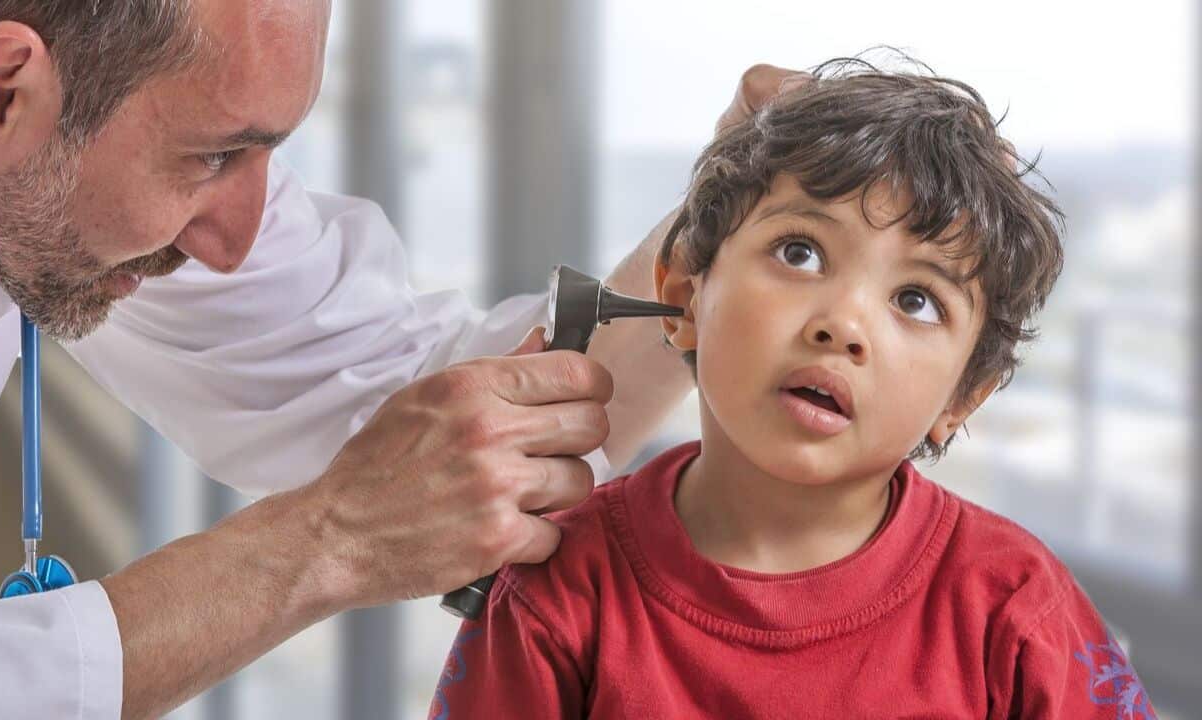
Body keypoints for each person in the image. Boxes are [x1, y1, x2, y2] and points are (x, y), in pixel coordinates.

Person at [0, 1, 799, 717]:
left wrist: (714, 237)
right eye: (213, 156)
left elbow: (412, 400)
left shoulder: (58, 153)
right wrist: (325, 540)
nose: (236, 240)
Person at [429, 59, 1159, 719]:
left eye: (916, 300)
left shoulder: (1015, 607)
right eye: (800, 252)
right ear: (684, 293)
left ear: (963, 398)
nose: (844, 324)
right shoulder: (557, 591)